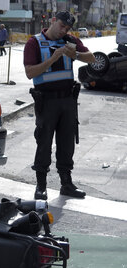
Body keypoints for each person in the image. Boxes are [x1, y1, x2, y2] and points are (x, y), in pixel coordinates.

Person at [23, 11, 96, 200]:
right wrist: (52, 59)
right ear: (53, 21)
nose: (64, 30)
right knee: (44, 142)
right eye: (61, 26)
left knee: (66, 143)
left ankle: (66, 183)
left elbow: (92, 58)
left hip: (68, 100)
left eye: (67, 28)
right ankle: (41, 186)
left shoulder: (69, 40)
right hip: (46, 101)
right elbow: (30, 73)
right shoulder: (34, 42)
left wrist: (76, 54)